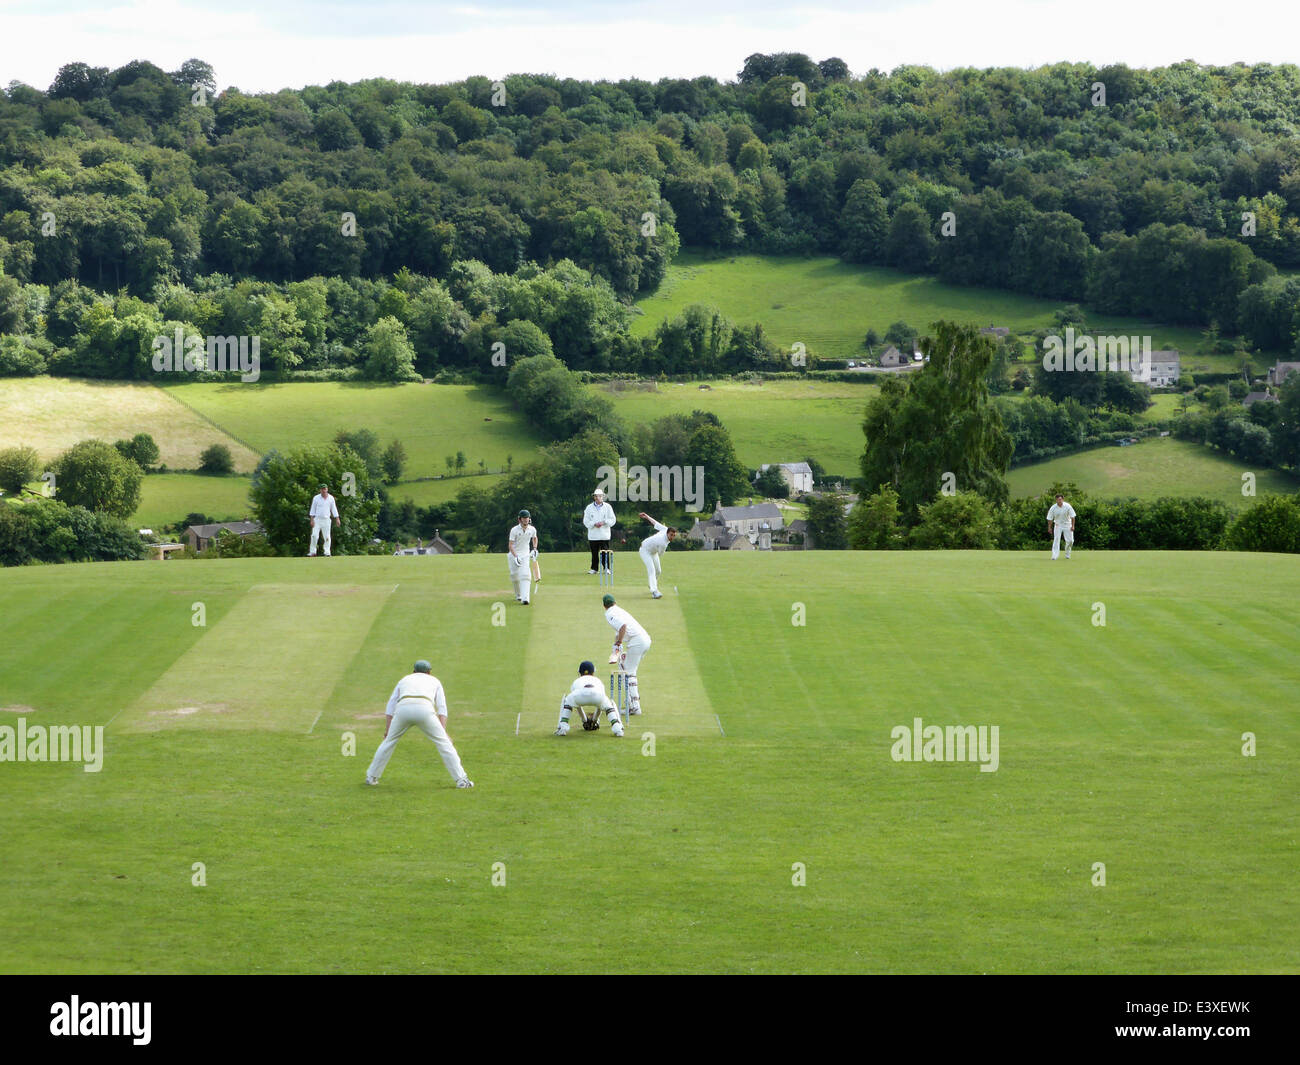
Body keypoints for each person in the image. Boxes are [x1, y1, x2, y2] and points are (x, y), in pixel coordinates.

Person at [365, 659, 473, 788]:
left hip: (403, 709)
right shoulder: (435, 681)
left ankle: (371, 777)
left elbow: (390, 706)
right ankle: (461, 780)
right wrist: (444, 733)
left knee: (388, 742)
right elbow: (442, 708)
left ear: (414, 671)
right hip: (425, 709)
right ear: (429, 672)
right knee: (444, 743)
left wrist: (388, 730)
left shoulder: (404, 680)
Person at [602, 593, 650, 715]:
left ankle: (635, 707)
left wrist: (618, 643)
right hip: (644, 640)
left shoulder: (609, 614)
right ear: (615, 602)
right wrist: (616, 646)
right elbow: (620, 630)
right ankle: (631, 702)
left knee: (628, 671)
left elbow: (623, 627)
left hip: (637, 641)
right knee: (624, 665)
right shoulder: (619, 610)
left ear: (604, 606)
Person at [554, 660, 624, 737]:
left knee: (567, 700)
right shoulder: (598, 681)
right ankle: (618, 728)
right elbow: (600, 706)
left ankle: (562, 727)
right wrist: (595, 720)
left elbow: (577, 706)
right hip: (597, 695)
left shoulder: (577, 681)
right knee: (609, 705)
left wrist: (584, 721)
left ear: (580, 673)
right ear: (593, 672)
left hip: (579, 695)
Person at [637, 512, 677, 599]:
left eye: (674, 535)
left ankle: (652, 585)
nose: (672, 537)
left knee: (658, 571)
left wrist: (647, 517)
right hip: (645, 550)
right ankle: (654, 591)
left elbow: (655, 523)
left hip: (653, 551)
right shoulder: (663, 543)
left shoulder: (665, 529)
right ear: (667, 533)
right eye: (671, 535)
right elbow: (660, 554)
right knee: (652, 570)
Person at [583, 488, 617, 574]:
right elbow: (586, 520)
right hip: (593, 535)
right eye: (596, 496)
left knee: (605, 553)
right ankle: (594, 569)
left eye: (600, 496)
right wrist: (594, 524)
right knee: (594, 553)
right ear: (594, 497)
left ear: (603, 497)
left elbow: (612, 519)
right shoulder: (589, 507)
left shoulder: (608, 507)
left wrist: (604, 522)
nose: (598, 498)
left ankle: (606, 568)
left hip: (604, 535)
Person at [508, 509, 536, 605]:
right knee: (514, 576)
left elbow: (535, 538)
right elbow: (510, 545)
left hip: (525, 555)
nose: (525, 520)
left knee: (526, 575)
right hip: (513, 555)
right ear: (519, 519)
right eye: (523, 518)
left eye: (527, 518)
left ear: (529, 519)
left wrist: (535, 549)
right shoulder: (514, 530)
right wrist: (515, 556)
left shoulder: (532, 529)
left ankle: (525, 598)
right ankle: (518, 595)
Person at [308, 483, 340, 556]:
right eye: (322, 489)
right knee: (314, 535)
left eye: (325, 489)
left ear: (327, 489)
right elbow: (312, 509)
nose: (324, 490)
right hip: (317, 520)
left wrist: (337, 519)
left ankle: (327, 552)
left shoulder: (331, 498)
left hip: (326, 520)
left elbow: (334, 509)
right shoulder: (316, 498)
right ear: (320, 490)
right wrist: (312, 519)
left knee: (327, 537)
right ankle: (312, 552)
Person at [1046, 493, 1076, 560]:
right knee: (1056, 540)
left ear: (1063, 499)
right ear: (1056, 500)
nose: (1059, 501)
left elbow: (1073, 516)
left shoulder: (1068, 506)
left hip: (1068, 524)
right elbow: (1050, 518)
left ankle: (1067, 553)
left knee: (1071, 541)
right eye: (1058, 499)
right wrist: (1049, 527)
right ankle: (1054, 555)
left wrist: (1073, 526)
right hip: (1058, 525)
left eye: (1060, 499)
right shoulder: (1053, 508)